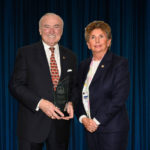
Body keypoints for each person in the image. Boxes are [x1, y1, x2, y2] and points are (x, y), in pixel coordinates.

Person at [9, 13, 77, 150]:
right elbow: (15, 85)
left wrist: (71, 102)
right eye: (47, 27)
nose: (52, 31)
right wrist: (40, 103)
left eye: (56, 27)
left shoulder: (70, 56)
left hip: (60, 127)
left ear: (62, 31)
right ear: (40, 30)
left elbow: (74, 86)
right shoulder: (25, 53)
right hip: (31, 126)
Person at [75, 21, 130, 150]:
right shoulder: (83, 65)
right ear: (88, 44)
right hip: (90, 130)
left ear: (109, 41)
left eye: (101, 36)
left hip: (112, 131)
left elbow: (119, 98)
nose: (97, 40)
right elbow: (77, 95)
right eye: (93, 37)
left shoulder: (119, 63)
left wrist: (96, 121)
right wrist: (83, 119)